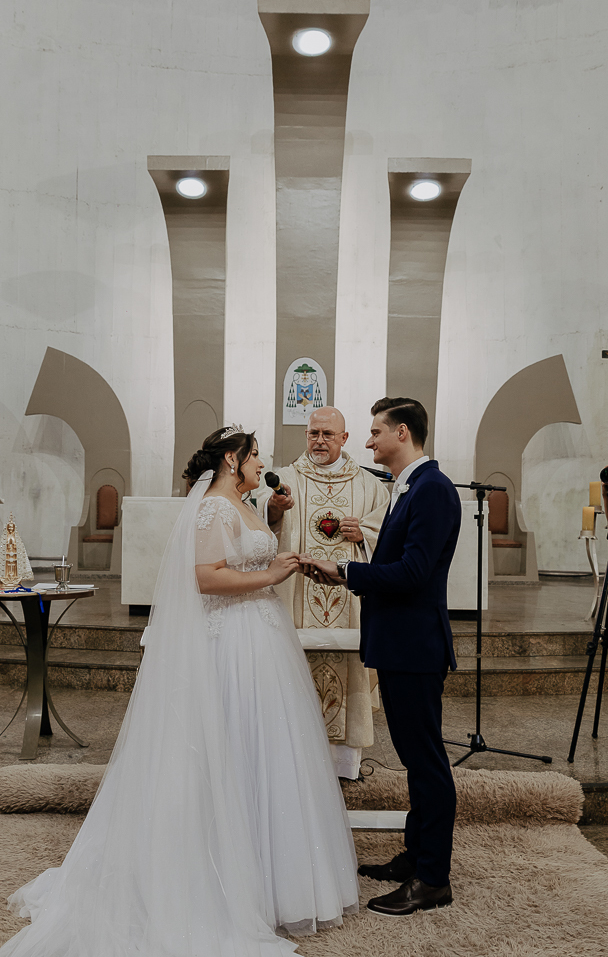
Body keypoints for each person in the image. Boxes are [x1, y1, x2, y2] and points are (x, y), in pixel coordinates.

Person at [1, 426, 358, 957]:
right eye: (256, 455)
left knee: (261, 752)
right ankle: (223, 880)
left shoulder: (240, 499)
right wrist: (271, 575)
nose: (263, 462)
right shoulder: (214, 509)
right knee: (228, 750)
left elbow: (246, 551)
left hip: (259, 640)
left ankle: (265, 880)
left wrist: (272, 546)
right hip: (233, 640)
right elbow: (207, 579)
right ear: (234, 460)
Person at [301, 397, 461, 917]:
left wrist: (345, 573)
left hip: (416, 647)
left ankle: (433, 878)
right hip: (400, 644)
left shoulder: (432, 489)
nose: (369, 442)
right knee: (417, 761)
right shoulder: (409, 486)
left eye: (375, 432)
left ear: (403, 433)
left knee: (427, 763)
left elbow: (414, 573)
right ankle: (416, 857)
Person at [256, 407, 390, 779]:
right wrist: (274, 510)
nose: (319, 440)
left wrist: (364, 533)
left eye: (328, 434)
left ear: (344, 439)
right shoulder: (283, 480)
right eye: (313, 433)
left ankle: (343, 766)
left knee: (347, 669)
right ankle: (290, 761)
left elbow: (389, 536)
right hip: (294, 599)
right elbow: (255, 526)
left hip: (350, 601)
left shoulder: (369, 485)